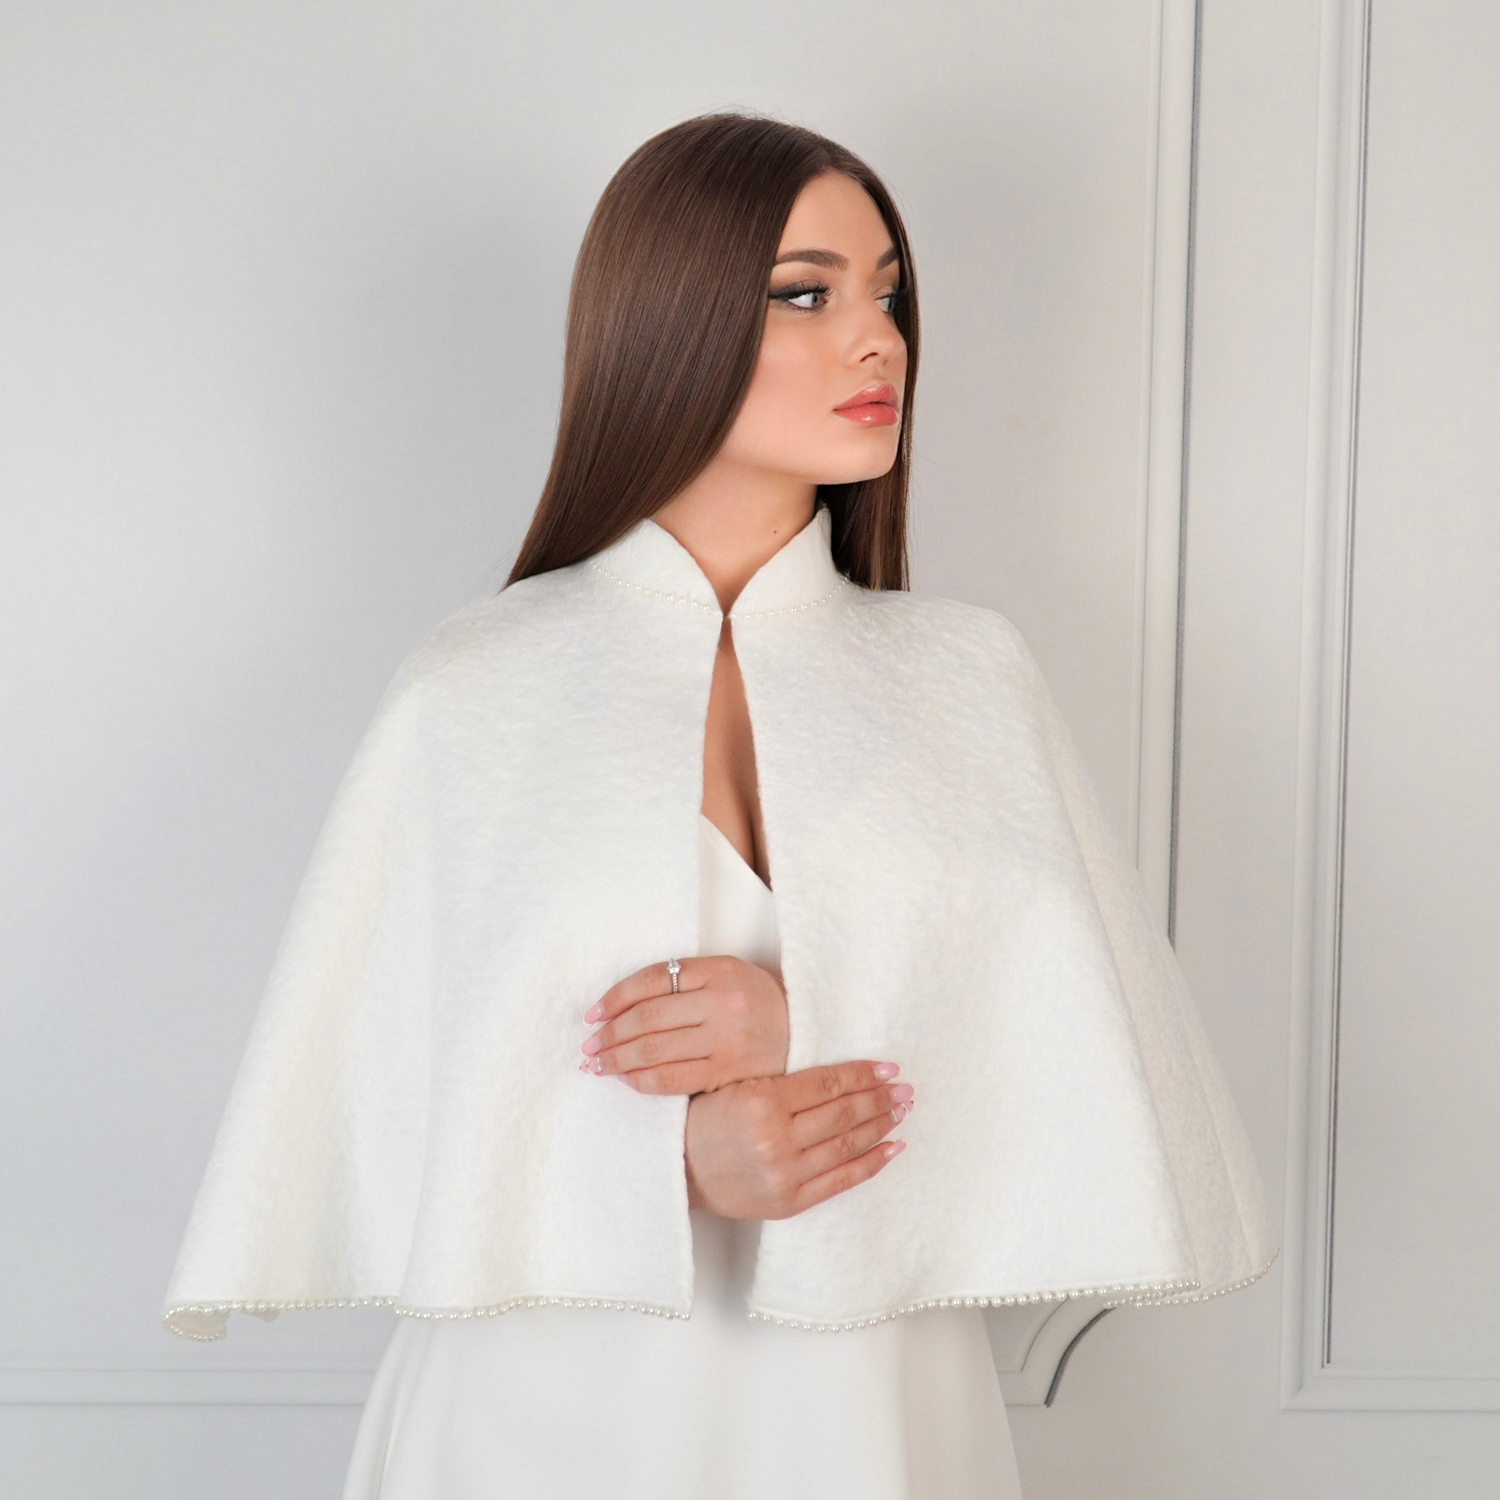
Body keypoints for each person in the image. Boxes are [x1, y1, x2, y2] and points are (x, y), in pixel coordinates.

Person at [163, 114, 1274, 1500]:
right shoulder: (475, 688)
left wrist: (806, 1017)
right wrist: (669, 1157)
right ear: (667, 321)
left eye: (887, 295)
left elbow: (1081, 1064)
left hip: (869, 1398)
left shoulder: (967, 678)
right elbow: (389, 1091)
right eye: (806, 294)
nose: (876, 341)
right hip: (537, 1412)